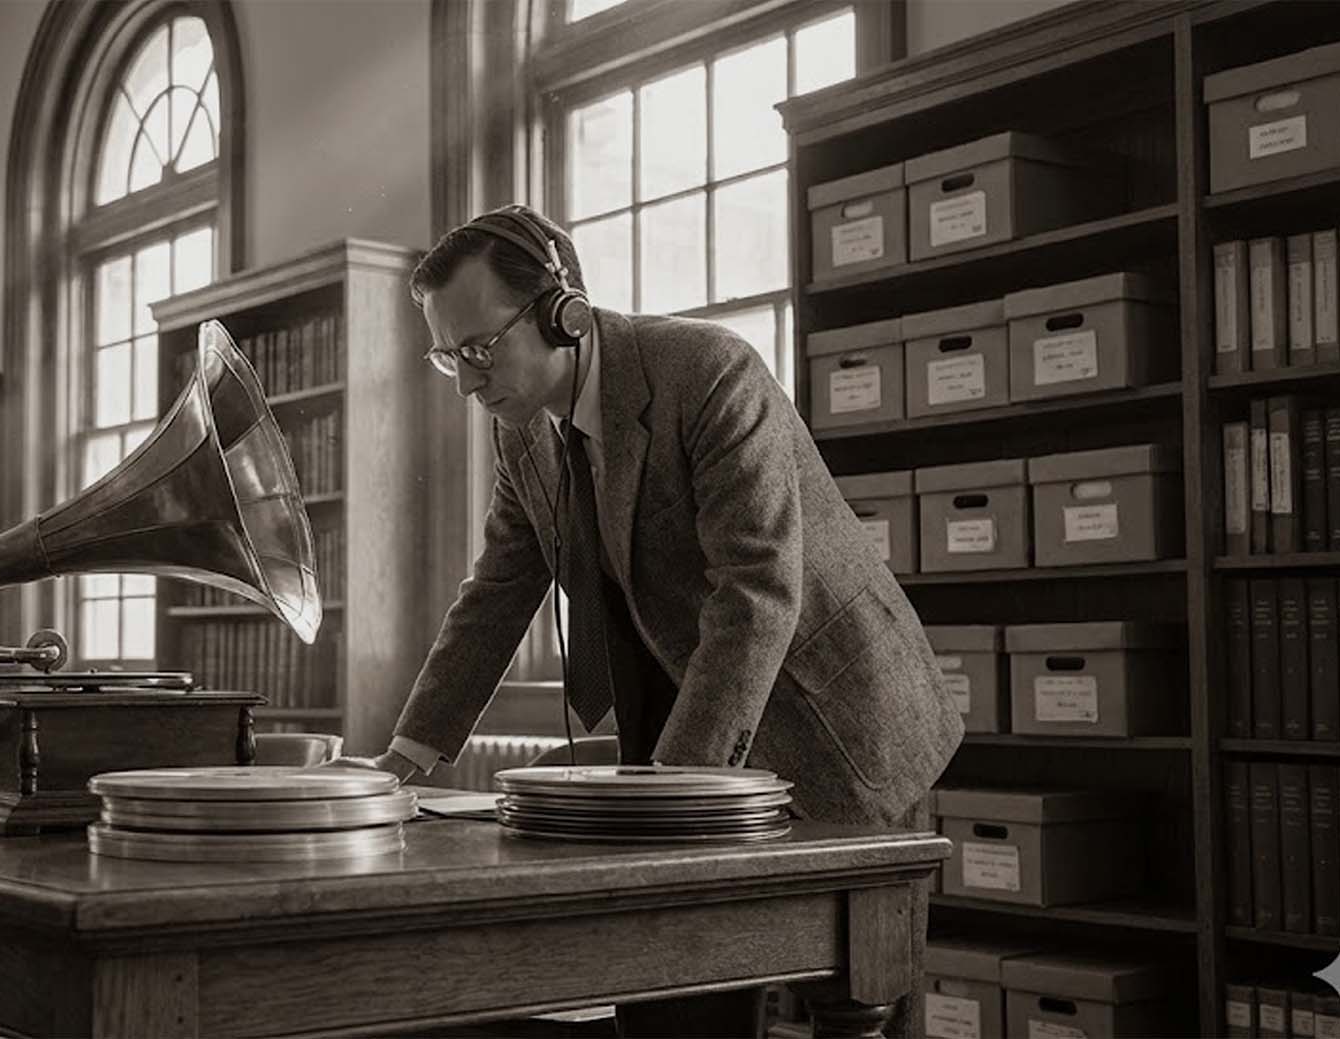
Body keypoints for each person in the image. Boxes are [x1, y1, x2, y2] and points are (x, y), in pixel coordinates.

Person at [338, 204, 961, 1037]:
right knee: (672, 1000)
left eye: (479, 349)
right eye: (448, 356)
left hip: (836, 725)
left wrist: (675, 794)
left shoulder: (708, 372)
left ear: (562, 311)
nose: (465, 382)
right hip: (688, 726)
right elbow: (496, 592)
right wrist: (407, 754)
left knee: (857, 1003)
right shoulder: (523, 438)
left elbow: (756, 593)